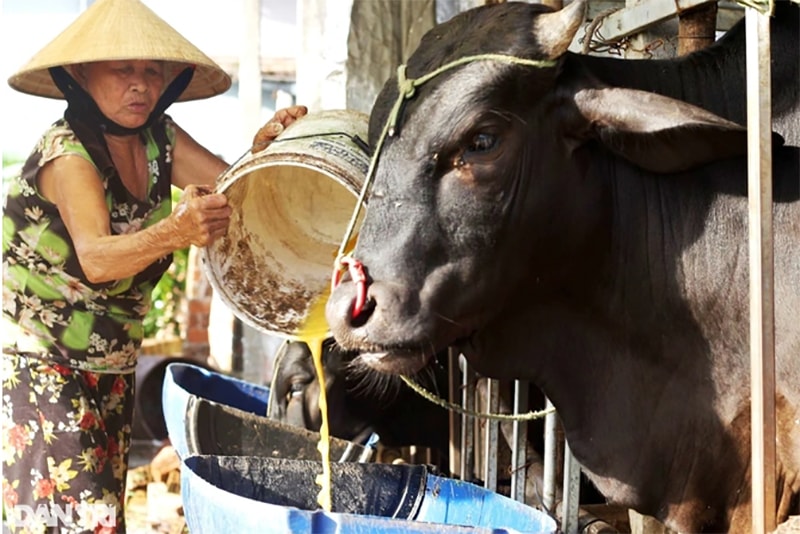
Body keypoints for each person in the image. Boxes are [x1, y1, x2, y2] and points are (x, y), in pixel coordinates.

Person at [1, 0, 307, 531]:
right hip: (42, 366)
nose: (139, 84)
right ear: (80, 74)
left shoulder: (159, 137)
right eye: (123, 70)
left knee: (100, 513)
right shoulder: (68, 154)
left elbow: (233, 196)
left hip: (112, 365)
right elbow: (96, 258)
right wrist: (175, 231)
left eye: (151, 71)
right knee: (74, 520)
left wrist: (259, 155)